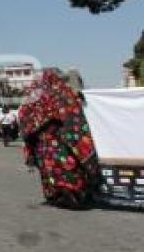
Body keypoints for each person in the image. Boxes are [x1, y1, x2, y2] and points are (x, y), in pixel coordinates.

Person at [18, 70, 98, 208]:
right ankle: (74, 196)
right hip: (60, 141)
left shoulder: (31, 98)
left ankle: (56, 196)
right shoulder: (60, 92)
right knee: (67, 167)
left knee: (49, 170)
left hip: (41, 146)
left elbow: (23, 119)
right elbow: (71, 116)